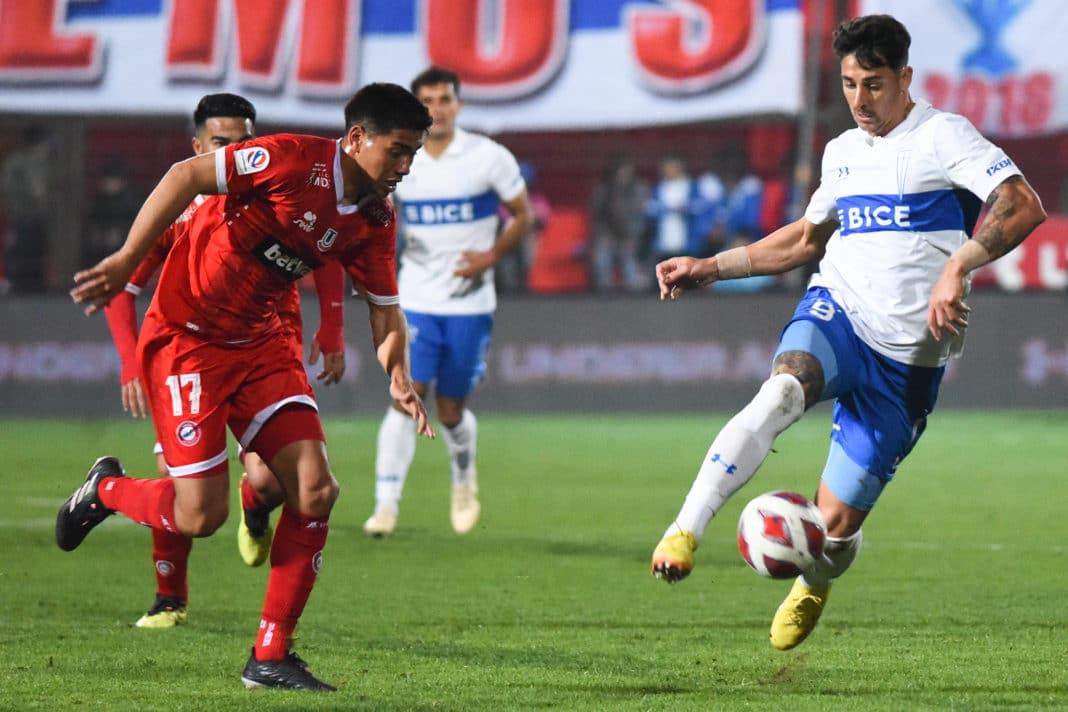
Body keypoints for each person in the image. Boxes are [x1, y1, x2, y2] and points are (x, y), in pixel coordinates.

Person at [649, 14, 1045, 652]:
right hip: (840, 312)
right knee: (782, 390)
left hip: (907, 362)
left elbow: (1023, 203)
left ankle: (814, 582)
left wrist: (958, 265)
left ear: (905, 77)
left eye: (875, 84)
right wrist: (712, 267)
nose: (860, 100)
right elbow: (807, 241)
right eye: (849, 84)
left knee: (831, 534)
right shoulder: (842, 153)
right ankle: (683, 531)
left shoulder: (943, 137)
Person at [59, 82, 434, 691]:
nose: (404, 166)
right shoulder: (291, 158)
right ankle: (106, 490)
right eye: (397, 151)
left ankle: (270, 655)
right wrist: (129, 258)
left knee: (315, 489)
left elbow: (386, 310)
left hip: (261, 347)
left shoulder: (374, 219)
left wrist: (399, 375)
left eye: (413, 154)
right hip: (188, 340)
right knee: (199, 516)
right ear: (357, 138)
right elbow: (185, 175)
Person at [101, 93, 348, 629]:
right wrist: (130, 363)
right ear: (198, 148)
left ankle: (256, 506)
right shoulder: (184, 206)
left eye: (244, 141)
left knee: (281, 481)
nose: (236, 151)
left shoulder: (282, 192)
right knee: (184, 487)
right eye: (222, 143)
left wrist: (332, 325)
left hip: (268, 348)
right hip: (196, 352)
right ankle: (170, 596)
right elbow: (123, 287)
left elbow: (327, 248)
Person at [362, 66, 532, 538]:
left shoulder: (487, 157)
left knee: (452, 410)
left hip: (470, 304)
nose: (437, 108)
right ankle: (385, 506)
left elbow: (523, 215)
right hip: (414, 298)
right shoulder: (400, 158)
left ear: (458, 104)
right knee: (406, 395)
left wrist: (491, 256)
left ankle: (463, 477)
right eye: (428, 100)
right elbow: (375, 215)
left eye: (445, 99)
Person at [589, 154, 649, 292]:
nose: (623, 175)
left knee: (631, 273)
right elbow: (597, 217)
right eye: (620, 171)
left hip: (629, 236)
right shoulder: (603, 190)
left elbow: (641, 215)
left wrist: (635, 237)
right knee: (602, 267)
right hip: (607, 236)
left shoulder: (639, 189)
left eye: (627, 171)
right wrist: (598, 238)